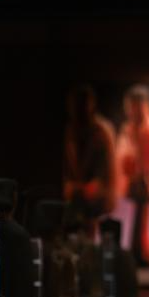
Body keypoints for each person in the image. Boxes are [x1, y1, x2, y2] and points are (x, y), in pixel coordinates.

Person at [116, 85, 149, 268]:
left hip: (145, 182)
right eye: (129, 106)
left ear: (144, 106)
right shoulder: (130, 129)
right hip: (134, 180)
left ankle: (142, 252)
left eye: (135, 106)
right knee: (139, 217)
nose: (131, 111)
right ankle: (138, 252)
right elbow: (123, 153)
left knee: (142, 217)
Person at [63, 85, 117, 220]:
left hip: (96, 198)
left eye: (81, 105)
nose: (77, 110)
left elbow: (108, 169)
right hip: (75, 196)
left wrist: (95, 188)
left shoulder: (102, 132)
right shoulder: (70, 130)